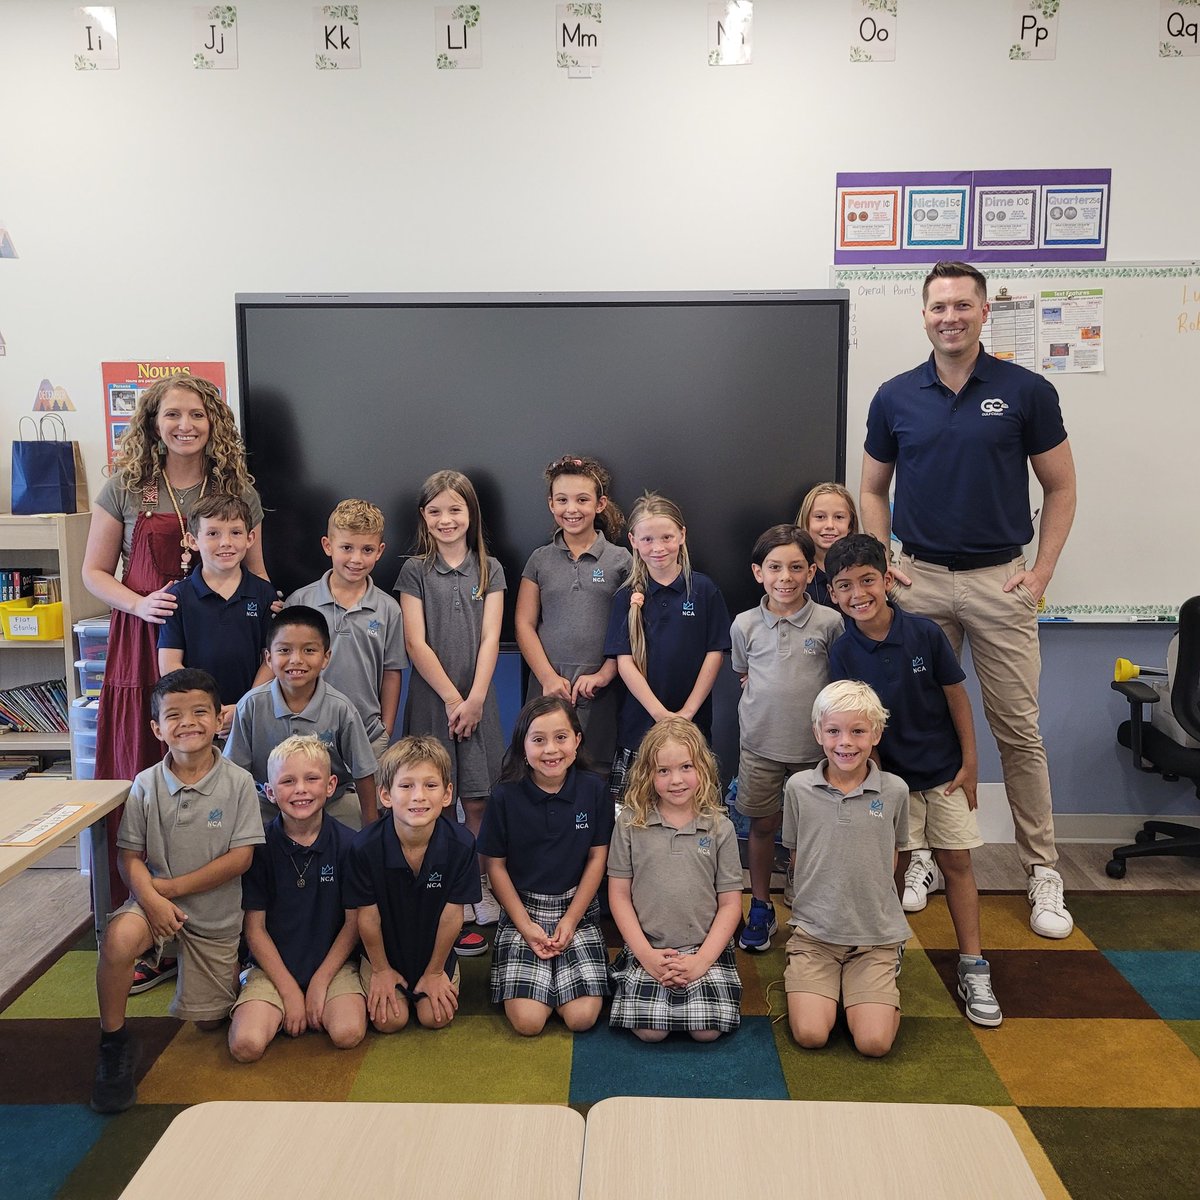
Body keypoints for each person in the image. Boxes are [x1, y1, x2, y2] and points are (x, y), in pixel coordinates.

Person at [860, 259, 1077, 940]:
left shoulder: (1026, 391)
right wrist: (883, 565)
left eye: (961, 305)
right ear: (923, 315)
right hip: (918, 581)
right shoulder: (895, 396)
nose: (949, 317)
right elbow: (872, 489)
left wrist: (1039, 573)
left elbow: (1062, 488)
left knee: (1017, 731)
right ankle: (922, 854)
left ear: (984, 312)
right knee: (915, 729)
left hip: (1000, 581)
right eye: (937, 307)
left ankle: (1042, 869)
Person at [83, 375, 267, 925]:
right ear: (153, 423)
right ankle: (137, 913)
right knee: (144, 766)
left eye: (197, 415)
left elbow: (257, 576)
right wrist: (140, 607)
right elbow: (94, 572)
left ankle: (203, 908)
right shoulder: (124, 486)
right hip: (146, 644)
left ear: (214, 423)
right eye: (173, 415)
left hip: (217, 639)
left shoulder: (238, 493)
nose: (185, 426)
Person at [825, 535, 1002, 1027]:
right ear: (833, 594)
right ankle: (887, 950)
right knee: (891, 868)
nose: (858, 593)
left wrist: (970, 764)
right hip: (888, 781)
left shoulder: (924, 633)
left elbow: (957, 699)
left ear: (887, 579)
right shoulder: (842, 652)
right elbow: (855, 724)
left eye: (867, 580)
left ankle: (973, 964)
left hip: (944, 775)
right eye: (844, 586)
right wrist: (876, 779)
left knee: (956, 864)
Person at [91, 669, 264, 1113]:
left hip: (214, 917)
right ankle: (114, 1041)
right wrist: (152, 899)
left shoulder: (239, 782)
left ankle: (238, 976)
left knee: (209, 1024)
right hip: (153, 906)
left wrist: (169, 888)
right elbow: (128, 856)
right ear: (156, 728)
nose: (188, 722)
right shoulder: (145, 784)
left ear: (220, 719)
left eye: (200, 712)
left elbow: (240, 859)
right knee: (117, 939)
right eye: (174, 715)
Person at [395, 470, 505, 941]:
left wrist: (476, 698)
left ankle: (478, 886)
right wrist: (453, 699)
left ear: (470, 513)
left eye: (455, 510)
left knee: (477, 799)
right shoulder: (414, 571)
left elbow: (492, 637)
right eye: (436, 510)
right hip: (432, 700)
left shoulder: (490, 568)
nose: (446, 519)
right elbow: (415, 643)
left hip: (479, 702)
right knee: (435, 802)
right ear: (424, 516)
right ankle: (446, 891)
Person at [730, 525, 843, 953]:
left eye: (797, 567)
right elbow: (743, 673)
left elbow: (837, 680)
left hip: (816, 753)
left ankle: (810, 907)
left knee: (814, 832)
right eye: (775, 567)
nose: (786, 577)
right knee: (762, 827)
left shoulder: (831, 622)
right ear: (758, 572)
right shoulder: (744, 625)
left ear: (812, 571)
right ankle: (760, 906)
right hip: (759, 747)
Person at [782, 681, 910, 1057]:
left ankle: (872, 985)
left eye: (858, 731)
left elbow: (893, 853)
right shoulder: (798, 788)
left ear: (876, 733)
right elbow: (795, 856)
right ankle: (828, 989)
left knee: (873, 1044)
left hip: (874, 938)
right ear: (818, 732)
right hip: (814, 936)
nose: (845, 742)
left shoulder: (895, 791)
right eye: (834, 730)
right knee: (811, 1035)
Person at [478, 696, 613, 1036]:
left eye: (561, 737)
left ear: (577, 740)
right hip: (524, 910)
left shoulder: (594, 789)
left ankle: (559, 986)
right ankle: (545, 986)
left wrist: (571, 919)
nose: (551, 750)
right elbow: (495, 866)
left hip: (577, 910)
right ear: (523, 747)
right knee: (528, 1022)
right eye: (538, 740)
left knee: (581, 1019)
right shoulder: (504, 797)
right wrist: (524, 926)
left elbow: (598, 858)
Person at [227, 735, 367, 1062]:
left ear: (331, 785)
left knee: (348, 1033)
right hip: (271, 967)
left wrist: (319, 982)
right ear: (270, 792)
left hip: (333, 965)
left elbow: (353, 924)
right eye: (288, 781)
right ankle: (265, 1002)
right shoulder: (258, 848)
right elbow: (255, 930)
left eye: (312, 779)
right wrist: (289, 991)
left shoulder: (350, 845)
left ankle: (310, 999)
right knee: (246, 1045)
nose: (300, 789)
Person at [607, 717, 743, 1042]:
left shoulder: (719, 828)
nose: (676, 780)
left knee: (707, 1032)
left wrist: (701, 961)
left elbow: (730, 904)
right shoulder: (629, 823)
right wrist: (646, 956)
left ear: (703, 769)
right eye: (663, 771)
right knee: (650, 1032)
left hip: (704, 948)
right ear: (647, 774)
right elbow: (618, 896)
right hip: (650, 946)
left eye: (685, 767)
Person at [344, 736, 484, 1033]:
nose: (418, 796)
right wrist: (380, 970)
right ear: (385, 795)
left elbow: (452, 915)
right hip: (384, 951)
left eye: (430, 786)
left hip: (433, 952)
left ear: (447, 794)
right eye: (406, 786)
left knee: (434, 1017)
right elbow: (367, 917)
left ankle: (435, 974)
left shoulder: (461, 844)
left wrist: (435, 971)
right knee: (389, 1022)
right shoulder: (364, 848)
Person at [603, 493, 731, 801]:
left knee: (694, 810)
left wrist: (686, 713)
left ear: (682, 536)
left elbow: (715, 654)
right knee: (635, 813)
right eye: (647, 539)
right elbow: (624, 662)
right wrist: (660, 714)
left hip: (693, 725)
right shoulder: (625, 597)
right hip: (640, 725)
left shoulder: (703, 590)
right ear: (633, 540)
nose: (658, 548)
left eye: (667, 537)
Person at [515, 454, 632, 772]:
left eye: (582, 499)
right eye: (562, 500)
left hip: (600, 689)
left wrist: (605, 674)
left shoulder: (622, 561)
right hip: (549, 686)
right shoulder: (539, 560)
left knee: (596, 773)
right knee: (545, 769)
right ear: (551, 504)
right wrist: (547, 678)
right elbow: (524, 624)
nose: (572, 509)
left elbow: (631, 629)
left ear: (600, 503)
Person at [224, 606, 378, 830]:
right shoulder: (251, 705)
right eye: (285, 650)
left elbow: (363, 772)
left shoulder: (341, 708)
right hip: (268, 804)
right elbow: (234, 773)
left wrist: (371, 828)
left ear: (326, 657)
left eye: (309, 651)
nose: (296, 660)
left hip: (331, 803)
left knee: (352, 820)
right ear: (268, 657)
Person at [286, 498, 407, 762]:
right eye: (347, 547)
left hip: (368, 736)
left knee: (366, 804)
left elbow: (391, 672)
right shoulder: (300, 602)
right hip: (306, 735)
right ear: (328, 546)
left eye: (367, 550)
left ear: (380, 551)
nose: (356, 559)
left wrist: (386, 729)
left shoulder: (389, 609)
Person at [156, 493, 276, 733]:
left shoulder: (264, 594)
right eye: (213, 533)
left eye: (236, 532)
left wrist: (244, 706)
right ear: (192, 540)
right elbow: (169, 663)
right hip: (197, 721)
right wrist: (206, 710)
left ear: (250, 538)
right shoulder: (178, 598)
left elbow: (271, 660)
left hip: (252, 716)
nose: (226, 542)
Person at [795, 482, 859, 610]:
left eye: (839, 517)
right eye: (820, 517)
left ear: (850, 525)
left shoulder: (861, 568)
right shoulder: (794, 571)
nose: (830, 525)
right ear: (806, 521)